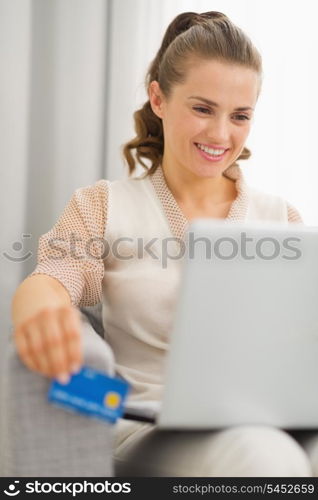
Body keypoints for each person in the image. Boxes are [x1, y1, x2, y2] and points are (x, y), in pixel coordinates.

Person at [11, 11, 318, 477]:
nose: (220, 135)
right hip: (151, 429)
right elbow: (53, 279)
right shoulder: (102, 206)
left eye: (240, 116)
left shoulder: (282, 219)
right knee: (264, 457)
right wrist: (40, 312)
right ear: (158, 98)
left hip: (274, 422)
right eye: (202, 108)